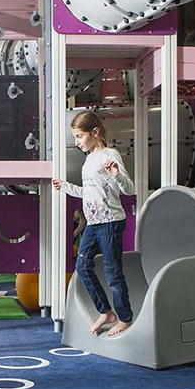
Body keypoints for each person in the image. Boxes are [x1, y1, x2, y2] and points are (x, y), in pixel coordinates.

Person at [52, 111, 135, 337]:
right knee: (82, 266)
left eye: (79, 136)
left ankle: (125, 317)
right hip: (93, 223)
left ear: (95, 132)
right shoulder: (88, 160)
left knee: (113, 273)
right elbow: (89, 193)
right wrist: (66, 186)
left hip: (110, 223)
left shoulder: (110, 154)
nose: (77, 142)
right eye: (75, 137)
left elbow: (130, 189)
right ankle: (106, 312)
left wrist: (117, 175)